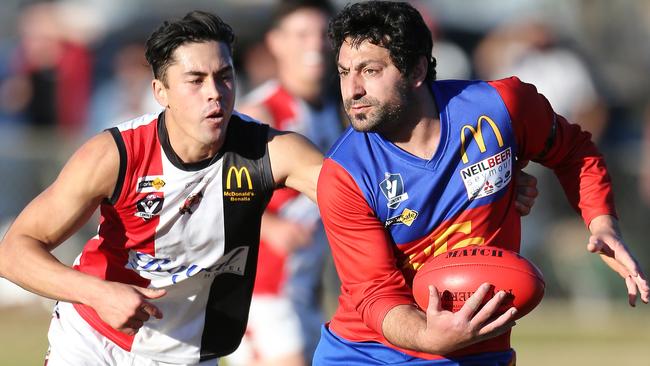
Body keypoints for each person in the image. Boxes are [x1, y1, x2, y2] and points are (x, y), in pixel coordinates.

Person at [313, 2, 650, 365]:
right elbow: (374, 293)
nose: (353, 89)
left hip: (478, 349)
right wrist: (430, 336)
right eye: (344, 72)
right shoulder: (344, 173)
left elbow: (574, 151)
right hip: (368, 353)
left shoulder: (501, 107)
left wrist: (602, 221)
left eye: (370, 70)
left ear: (417, 70)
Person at [0, 11, 324, 366]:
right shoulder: (115, 154)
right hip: (93, 341)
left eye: (224, 76)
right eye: (195, 80)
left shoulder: (269, 151)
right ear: (160, 92)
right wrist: (97, 293)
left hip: (186, 353)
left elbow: (355, 200)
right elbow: (13, 251)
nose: (214, 94)